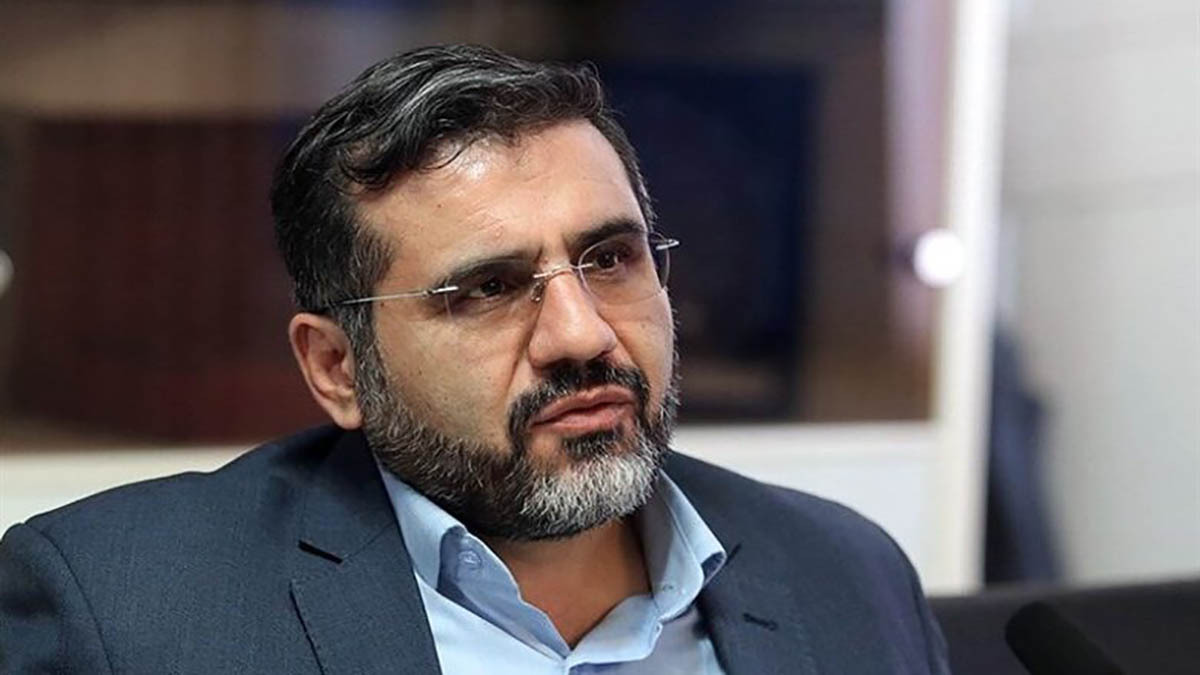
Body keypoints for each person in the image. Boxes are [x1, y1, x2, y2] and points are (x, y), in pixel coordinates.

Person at [0, 45, 950, 673]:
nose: (582, 334)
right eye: (488, 288)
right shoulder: (120, 612)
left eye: (610, 259)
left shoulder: (845, 573)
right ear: (336, 367)